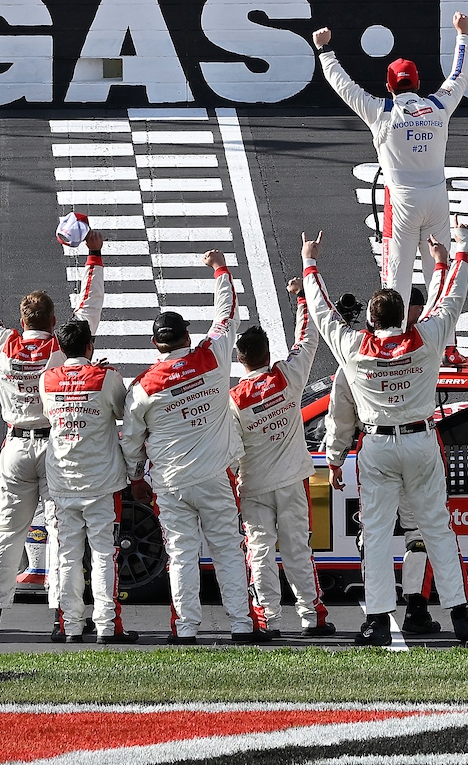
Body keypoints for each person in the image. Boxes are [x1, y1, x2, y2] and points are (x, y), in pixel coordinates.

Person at [303, 226, 468, 647]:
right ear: (404, 318)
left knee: (377, 535)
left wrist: (310, 262)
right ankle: (460, 618)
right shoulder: (428, 337)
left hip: (377, 446)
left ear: (370, 319)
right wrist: (458, 248)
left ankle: (379, 620)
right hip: (421, 441)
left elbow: (322, 311)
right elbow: (452, 297)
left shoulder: (352, 347)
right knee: (437, 530)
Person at [121, 250, 271, 645]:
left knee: (182, 554)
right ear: (186, 337)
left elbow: (131, 441)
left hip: (170, 483)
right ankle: (242, 625)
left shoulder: (143, 387)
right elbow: (227, 314)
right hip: (215, 477)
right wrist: (220, 269)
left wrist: (136, 478)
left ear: (156, 344)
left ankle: (186, 629)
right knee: (228, 550)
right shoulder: (212, 355)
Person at [0, 225, 104, 636]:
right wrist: (93, 256)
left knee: (8, 528)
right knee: (60, 529)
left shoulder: (0, 342)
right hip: (56, 445)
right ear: (55, 321)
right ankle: (62, 613)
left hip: (14, 445)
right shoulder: (62, 347)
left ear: (21, 320)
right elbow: (90, 307)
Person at [313, 12, 468, 310]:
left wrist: (324, 50)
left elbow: (343, 86)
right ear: (418, 82)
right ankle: (447, 337)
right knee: (440, 276)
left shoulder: (381, 111)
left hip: (401, 203)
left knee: (394, 284)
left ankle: (392, 335)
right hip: (437, 199)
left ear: (389, 87)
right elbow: (459, 76)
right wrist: (462, 34)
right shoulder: (440, 105)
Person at [325, 282, 449, 635]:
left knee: (382, 535)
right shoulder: (427, 348)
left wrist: (334, 458)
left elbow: (340, 414)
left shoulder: (356, 353)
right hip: (421, 450)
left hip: (382, 453)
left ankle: (384, 615)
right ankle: (412, 611)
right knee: (415, 533)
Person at [230, 276, 334, 638]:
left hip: (254, 486)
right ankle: (311, 618)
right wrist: (302, 299)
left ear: (240, 359)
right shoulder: (287, 374)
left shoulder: (233, 400)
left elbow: (230, 449)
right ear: (268, 352)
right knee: (297, 550)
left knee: (259, 552)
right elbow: (307, 340)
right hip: (291, 481)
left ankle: (268, 620)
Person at [39, 319, 138, 644]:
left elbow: (53, 409)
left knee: (67, 555)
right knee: (104, 554)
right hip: (101, 483)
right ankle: (107, 627)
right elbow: (123, 411)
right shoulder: (107, 377)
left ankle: (70, 626)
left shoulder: (46, 379)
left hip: (62, 481)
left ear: (61, 347)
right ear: (90, 346)